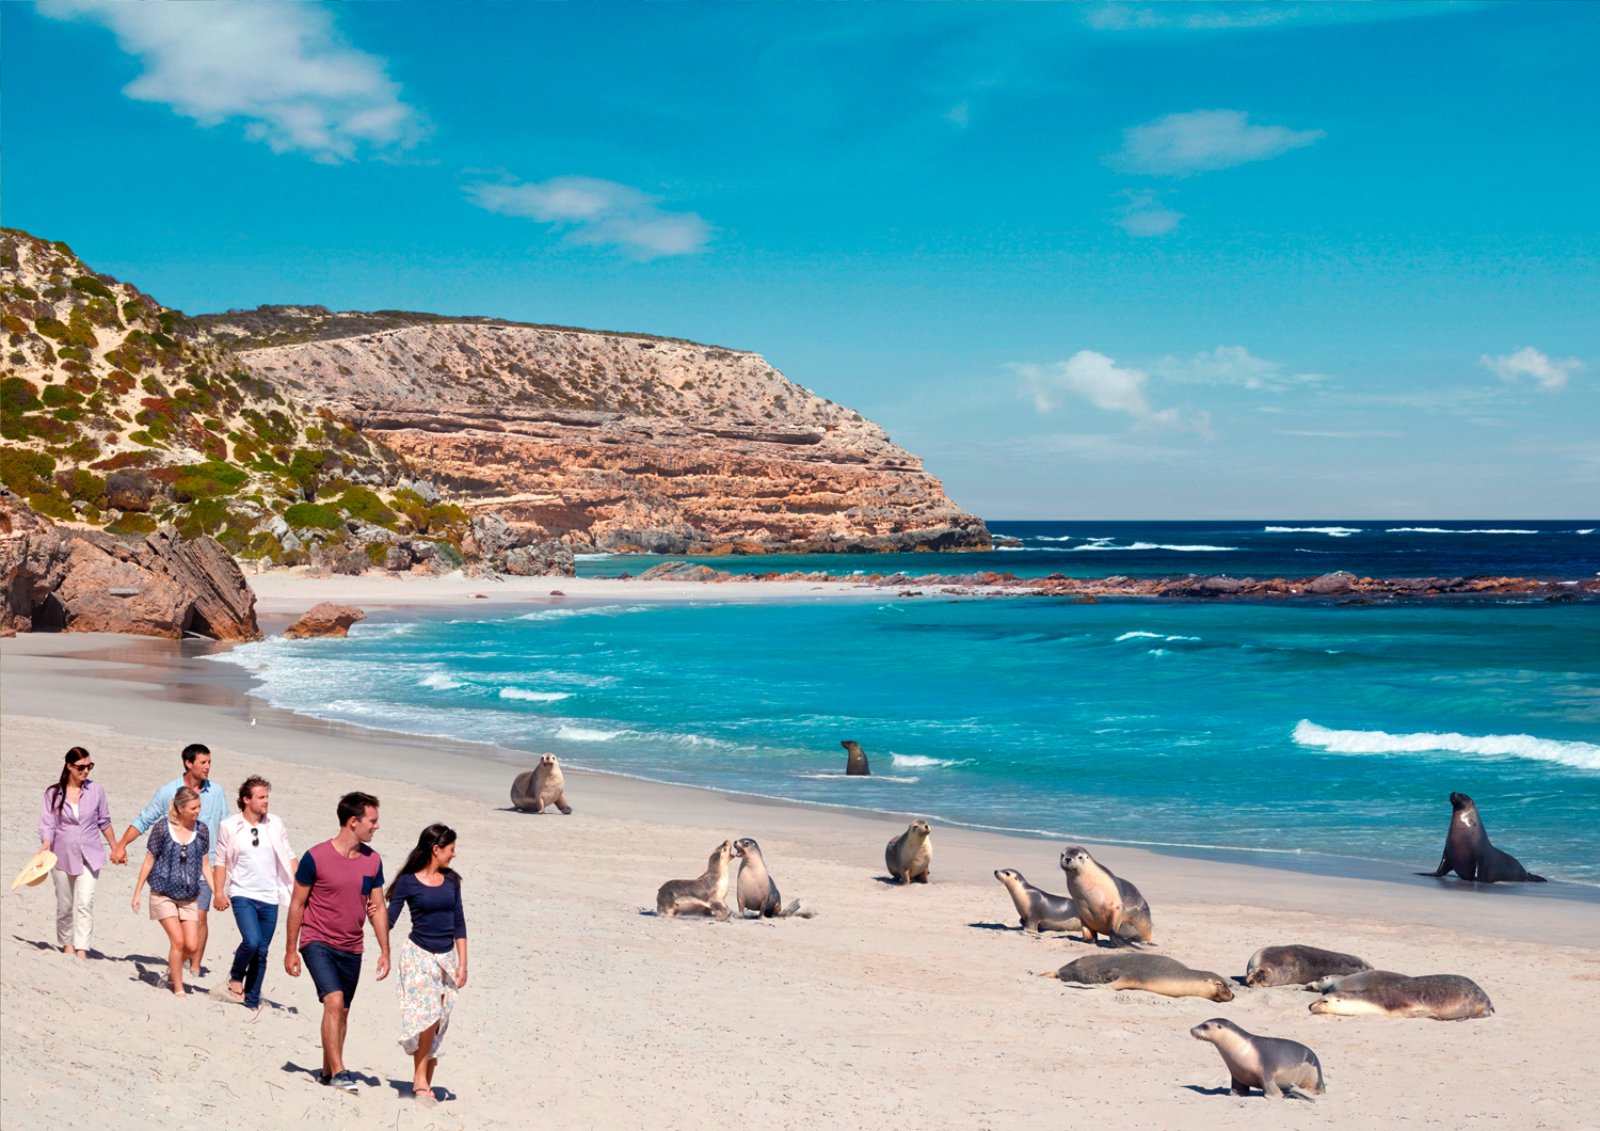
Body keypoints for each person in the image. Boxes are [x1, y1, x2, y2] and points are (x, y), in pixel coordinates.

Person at [284, 791, 391, 1094]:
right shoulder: (315, 857)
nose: (376, 826)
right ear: (353, 822)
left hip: (352, 946)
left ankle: (328, 1071)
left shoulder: (373, 862)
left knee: (341, 1011)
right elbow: (297, 904)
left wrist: (385, 950)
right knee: (333, 1001)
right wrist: (290, 949)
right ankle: (341, 1071)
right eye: (373, 821)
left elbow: (378, 907)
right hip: (317, 939)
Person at [112, 743, 227, 975]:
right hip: (172, 871)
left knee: (201, 916)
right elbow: (144, 819)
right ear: (188, 763)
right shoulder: (168, 792)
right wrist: (121, 845)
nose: (208, 767)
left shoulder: (216, 792)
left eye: (210, 762)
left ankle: (194, 966)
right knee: (180, 933)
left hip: (206, 866)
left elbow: (226, 826)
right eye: (203, 762)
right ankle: (179, 961)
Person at [386, 824, 469, 1103]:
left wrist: (463, 963)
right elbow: (389, 921)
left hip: (446, 958)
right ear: (436, 849)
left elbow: (459, 922)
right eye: (451, 849)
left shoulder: (452, 881)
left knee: (438, 1021)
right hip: (417, 955)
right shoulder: (408, 882)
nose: (454, 855)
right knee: (427, 1016)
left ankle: (423, 1076)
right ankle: (420, 1082)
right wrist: (369, 911)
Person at [215, 775, 296, 1011]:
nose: (266, 801)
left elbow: (290, 856)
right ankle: (236, 976)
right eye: (261, 797)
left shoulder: (275, 823)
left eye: (267, 796)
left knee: (262, 951)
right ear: (246, 800)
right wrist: (219, 892)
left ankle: (251, 999)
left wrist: (302, 886)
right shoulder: (229, 826)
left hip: (270, 896)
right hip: (242, 893)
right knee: (251, 941)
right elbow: (220, 861)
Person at [131, 786, 214, 995]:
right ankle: (178, 988)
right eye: (193, 808)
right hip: (163, 893)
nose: (197, 811)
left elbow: (205, 864)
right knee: (178, 941)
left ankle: (172, 971)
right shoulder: (162, 828)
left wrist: (218, 891)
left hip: (188, 896)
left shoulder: (202, 830)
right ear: (180, 808)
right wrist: (137, 892)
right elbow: (149, 860)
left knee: (192, 946)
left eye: (199, 807)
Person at [37, 747, 119, 958]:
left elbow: (104, 821)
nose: (86, 771)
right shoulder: (53, 793)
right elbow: (48, 824)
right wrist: (46, 845)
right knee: (65, 905)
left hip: (90, 854)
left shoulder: (96, 790)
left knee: (85, 902)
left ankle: (82, 949)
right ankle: (67, 944)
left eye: (89, 766)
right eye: (81, 767)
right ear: (69, 766)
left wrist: (116, 847)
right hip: (61, 854)